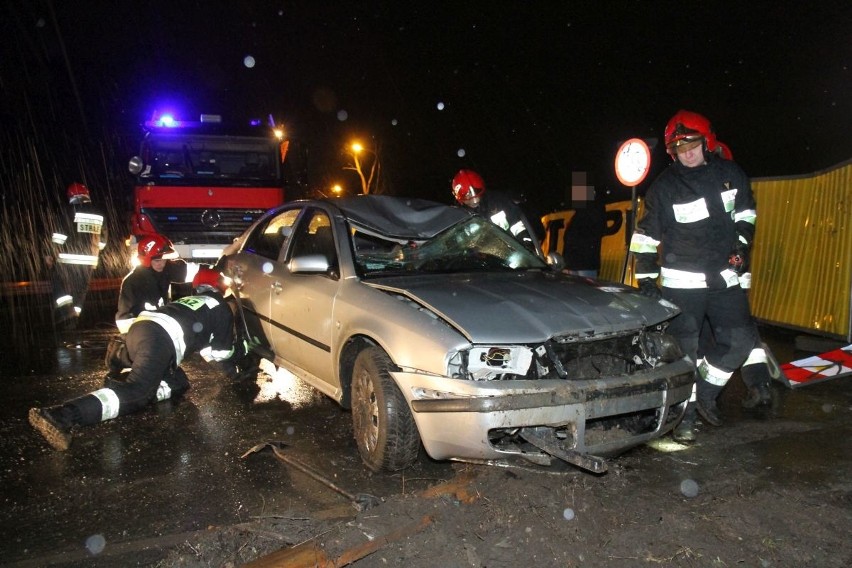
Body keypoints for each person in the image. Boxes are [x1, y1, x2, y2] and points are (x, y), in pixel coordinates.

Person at [629, 109, 759, 443]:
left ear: (707, 141)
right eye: (679, 147)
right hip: (683, 285)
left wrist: (742, 247)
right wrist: (645, 281)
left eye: (692, 144)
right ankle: (684, 418)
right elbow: (645, 238)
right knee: (685, 353)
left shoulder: (731, 174)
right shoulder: (665, 188)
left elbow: (746, 214)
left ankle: (704, 395)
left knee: (740, 340)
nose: (687, 152)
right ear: (672, 152)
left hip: (724, 278)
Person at [29, 267, 237, 451]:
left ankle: (121, 356)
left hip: (141, 329)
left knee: (179, 382)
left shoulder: (191, 301)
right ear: (220, 287)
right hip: (159, 342)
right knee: (138, 393)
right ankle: (62, 416)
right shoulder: (221, 307)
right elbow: (220, 354)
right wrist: (237, 366)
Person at [106, 234, 187, 377]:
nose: (161, 263)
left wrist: (215, 270)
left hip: (156, 325)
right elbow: (125, 317)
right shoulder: (133, 282)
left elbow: (191, 271)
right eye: (157, 260)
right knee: (148, 365)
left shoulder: (164, 270)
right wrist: (139, 340)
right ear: (147, 260)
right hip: (139, 328)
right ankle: (122, 356)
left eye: (163, 259)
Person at [49, 182, 106, 330]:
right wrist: (93, 251)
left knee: (60, 286)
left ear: (71, 196)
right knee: (80, 292)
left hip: (67, 260)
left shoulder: (69, 211)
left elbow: (59, 237)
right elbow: (103, 242)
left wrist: (51, 253)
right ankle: (74, 319)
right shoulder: (99, 214)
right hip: (90, 262)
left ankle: (67, 314)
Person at [451, 169, 542, 256]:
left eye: (477, 192)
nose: (475, 200)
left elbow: (517, 224)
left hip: (515, 253)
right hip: (487, 265)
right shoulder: (457, 218)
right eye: (468, 197)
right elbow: (459, 248)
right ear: (459, 199)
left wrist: (527, 245)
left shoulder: (498, 201)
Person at [562, 172, 606, 278]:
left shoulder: (594, 208)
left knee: (585, 292)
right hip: (574, 263)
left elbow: (596, 231)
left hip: (584, 264)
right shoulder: (579, 214)